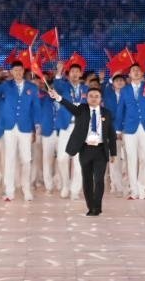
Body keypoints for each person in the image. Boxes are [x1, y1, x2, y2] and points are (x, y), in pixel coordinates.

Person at [49, 85, 117, 216]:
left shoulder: (106, 113)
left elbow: (111, 134)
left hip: (101, 150)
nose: (94, 99)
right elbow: (69, 106)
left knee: (99, 179)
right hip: (85, 149)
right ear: (87, 98)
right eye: (91, 96)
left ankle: (97, 206)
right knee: (87, 179)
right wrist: (58, 97)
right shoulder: (82, 109)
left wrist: (113, 152)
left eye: (96, 96)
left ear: (101, 99)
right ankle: (91, 206)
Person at [0, 61, 41, 202]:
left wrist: (36, 125)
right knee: (9, 158)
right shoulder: (6, 86)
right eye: (15, 70)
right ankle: (9, 191)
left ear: (23, 71)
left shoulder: (32, 87)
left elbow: (36, 107)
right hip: (9, 127)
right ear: (11, 72)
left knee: (26, 159)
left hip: (25, 127)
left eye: (20, 70)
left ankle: (26, 189)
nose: (18, 73)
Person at [115, 63, 145, 200]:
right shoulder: (125, 90)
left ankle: (142, 188)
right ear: (129, 75)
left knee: (144, 158)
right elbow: (120, 109)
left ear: (142, 73)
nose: (135, 72)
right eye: (133, 70)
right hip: (130, 127)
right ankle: (133, 190)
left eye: (138, 70)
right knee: (131, 159)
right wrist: (118, 129)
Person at [53, 62, 89, 200]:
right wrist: (59, 71)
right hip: (66, 126)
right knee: (62, 158)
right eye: (72, 72)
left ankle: (75, 190)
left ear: (81, 74)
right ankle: (65, 185)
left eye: (77, 71)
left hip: (81, 127)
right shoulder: (64, 87)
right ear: (68, 75)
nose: (74, 74)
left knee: (79, 161)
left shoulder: (86, 89)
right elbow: (56, 85)